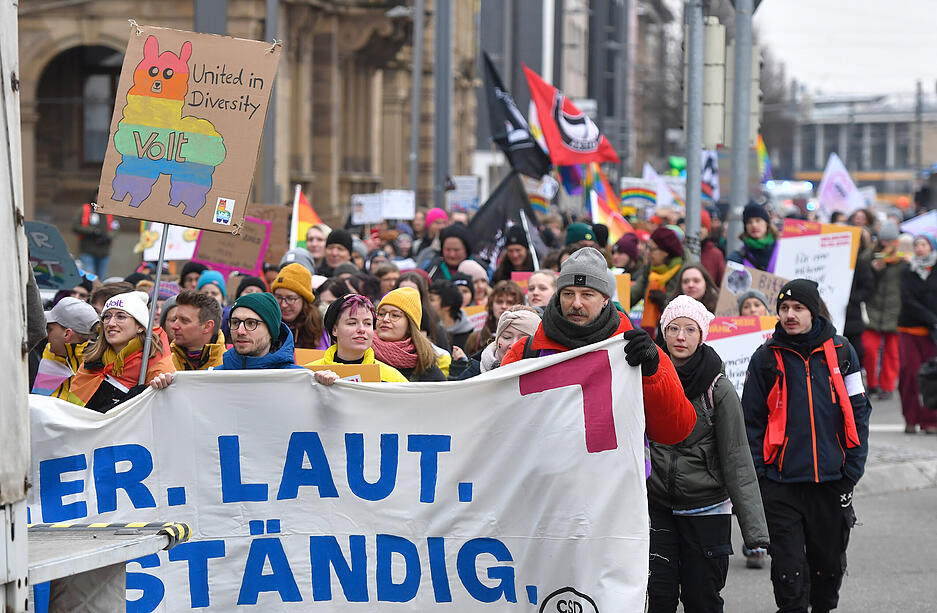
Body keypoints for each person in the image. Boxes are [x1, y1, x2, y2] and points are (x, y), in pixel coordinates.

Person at [742, 279, 871, 613]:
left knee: (828, 568)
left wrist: (852, 470)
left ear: (813, 311)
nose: (790, 315)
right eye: (784, 308)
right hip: (781, 486)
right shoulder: (765, 358)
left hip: (831, 483)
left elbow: (859, 410)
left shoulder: (842, 352)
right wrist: (762, 477)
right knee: (788, 574)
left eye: (798, 308)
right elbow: (751, 422)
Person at [501, 247, 697, 446]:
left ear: (605, 299)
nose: (576, 303)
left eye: (587, 294)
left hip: (612, 475)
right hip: (543, 475)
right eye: (568, 293)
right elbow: (498, 421)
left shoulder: (634, 350)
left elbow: (676, 431)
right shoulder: (527, 352)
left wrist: (652, 375)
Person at [647, 295, 768, 613]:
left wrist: (754, 531)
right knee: (658, 597)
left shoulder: (719, 389)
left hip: (706, 509)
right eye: (673, 329)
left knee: (703, 599)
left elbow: (737, 457)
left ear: (702, 334)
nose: (680, 337)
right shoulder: (647, 379)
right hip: (657, 506)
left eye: (689, 329)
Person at [71, 291, 174, 411]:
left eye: (120, 317)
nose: (111, 323)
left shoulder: (158, 364)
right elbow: (72, 412)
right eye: (107, 316)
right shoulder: (92, 359)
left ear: (140, 326)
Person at [306, 294, 408, 383]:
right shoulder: (309, 373)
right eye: (352, 323)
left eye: (368, 323)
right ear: (334, 330)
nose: (361, 329)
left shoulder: (392, 378)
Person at [897, 233, 937, 434]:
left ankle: (931, 420)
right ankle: (911, 418)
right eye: (917, 245)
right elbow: (907, 299)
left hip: (932, 333)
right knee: (910, 374)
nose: (920, 248)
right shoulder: (907, 271)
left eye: (924, 244)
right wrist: (931, 318)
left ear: (931, 247)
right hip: (909, 329)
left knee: (932, 375)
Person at [862, 221, 903, 400]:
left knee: (892, 353)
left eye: (891, 241)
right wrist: (875, 269)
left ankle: (887, 386)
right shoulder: (870, 256)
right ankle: (872, 384)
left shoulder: (903, 259)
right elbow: (864, 278)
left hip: (896, 311)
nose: (887, 245)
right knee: (869, 349)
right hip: (873, 309)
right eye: (884, 241)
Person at [31, 297, 100, 400]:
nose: (46, 335)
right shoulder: (52, 352)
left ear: (67, 334)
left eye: (49, 329)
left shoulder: (98, 365)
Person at [372, 287, 446, 381]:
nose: (385, 319)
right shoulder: (362, 351)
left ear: (410, 326)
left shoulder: (427, 368)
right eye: (381, 314)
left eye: (395, 315)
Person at [454, 305, 541, 379]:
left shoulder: (547, 377)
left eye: (523, 339)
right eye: (507, 337)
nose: (513, 345)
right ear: (497, 340)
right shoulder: (472, 376)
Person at [633, 226, 684, 335]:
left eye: (651, 249)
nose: (647, 252)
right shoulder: (651, 268)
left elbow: (684, 312)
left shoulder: (685, 271)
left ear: (665, 251)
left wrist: (664, 302)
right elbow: (632, 294)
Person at [271, 263, 329, 350]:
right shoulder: (267, 325)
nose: (283, 304)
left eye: (291, 298)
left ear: (304, 300)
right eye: (279, 297)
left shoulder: (320, 326)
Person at [463, 280, 525, 355]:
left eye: (510, 302)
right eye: (499, 302)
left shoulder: (526, 338)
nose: (504, 306)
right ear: (491, 304)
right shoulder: (476, 338)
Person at [169, 290, 225, 370]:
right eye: (175, 319)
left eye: (184, 320)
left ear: (207, 326)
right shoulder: (166, 364)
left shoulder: (229, 366)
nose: (174, 326)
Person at [72, 193, 117, 278]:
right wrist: (93, 231)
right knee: (89, 278)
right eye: (98, 195)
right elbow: (76, 226)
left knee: (101, 278)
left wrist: (107, 236)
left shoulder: (110, 211)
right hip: (88, 250)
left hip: (104, 251)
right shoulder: (86, 210)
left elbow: (116, 228)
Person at [727, 203, 778, 271]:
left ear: (766, 223)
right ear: (745, 227)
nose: (754, 225)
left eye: (758, 220)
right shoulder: (736, 258)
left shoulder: (781, 251)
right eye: (749, 222)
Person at [429, 279, 474, 350]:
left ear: (447, 306)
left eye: (431, 299)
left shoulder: (470, 335)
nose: (427, 303)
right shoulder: (429, 329)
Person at [699, 209, 726, 285]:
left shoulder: (716, 254)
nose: (698, 230)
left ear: (708, 230)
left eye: (702, 226)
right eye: (694, 226)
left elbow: (721, 283)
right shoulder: (681, 252)